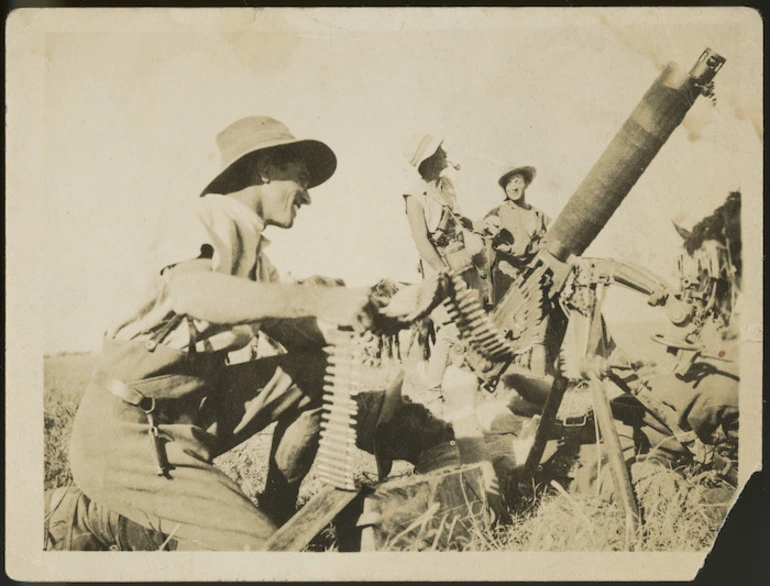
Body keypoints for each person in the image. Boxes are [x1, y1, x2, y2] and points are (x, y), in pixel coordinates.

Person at [43, 116, 450, 551]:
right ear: (265, 170)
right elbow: (195, 293)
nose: (308, 197)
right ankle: (86, 516)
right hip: (130, 435)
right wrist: (317, 301)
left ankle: (275, 509)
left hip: (193, 414)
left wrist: (385, 314)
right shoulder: (203, 216)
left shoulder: (254, 253)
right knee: (257, 557)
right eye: (302, 179)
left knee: (317, 371)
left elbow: (305, 337)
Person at [401, 132, 486, 396]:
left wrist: (480, 226)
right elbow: (422, 241)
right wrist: (443, 272)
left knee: (473, 325)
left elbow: (459, 221)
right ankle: (434, 390)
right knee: (450, 329)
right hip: (441, 268)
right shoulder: (415, 196)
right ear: (428, 159)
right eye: (439, 150)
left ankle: (469, 385)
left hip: (464, 263)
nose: (444, 153)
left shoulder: (447, 185)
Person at [485, 164, 552, 373]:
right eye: (508, 183)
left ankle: (538, 383)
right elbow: (486, 246)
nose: (513, 187)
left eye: (517, 181)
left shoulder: (539, 215)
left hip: (535, 277)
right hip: (507, 278)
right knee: (509, 334)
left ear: (526, 184)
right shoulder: (497, 213)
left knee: (539, 332)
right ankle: (507, 382)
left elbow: (547, 245)